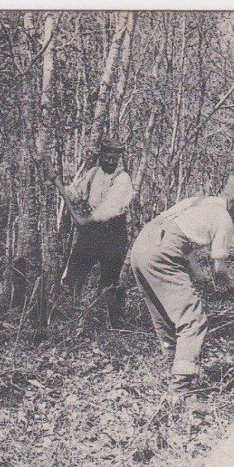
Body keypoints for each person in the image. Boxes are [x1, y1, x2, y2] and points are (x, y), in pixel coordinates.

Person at [129, 176, 234, 405]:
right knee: (193, 320)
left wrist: (200, 278)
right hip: (162, 255)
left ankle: (170, 367)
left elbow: (182, 243)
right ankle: (180, 390)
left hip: (141, 248)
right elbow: (219, 269)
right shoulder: (224, 218)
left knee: (165, 316)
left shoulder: (197, 201)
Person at [62, 139, 134, 327]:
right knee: (75, 271)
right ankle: (71, 316)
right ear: (101, 155)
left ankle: (112, 324)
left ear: (119, 157)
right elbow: (75, 194)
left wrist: (84, 220)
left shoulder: (122, 179)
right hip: (91, 232)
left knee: (110, 279)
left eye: (115, 156)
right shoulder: (92, 174)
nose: (110, 160)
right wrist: (61, 186)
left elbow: (109, 209)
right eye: (107, 155)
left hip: (113, 232)